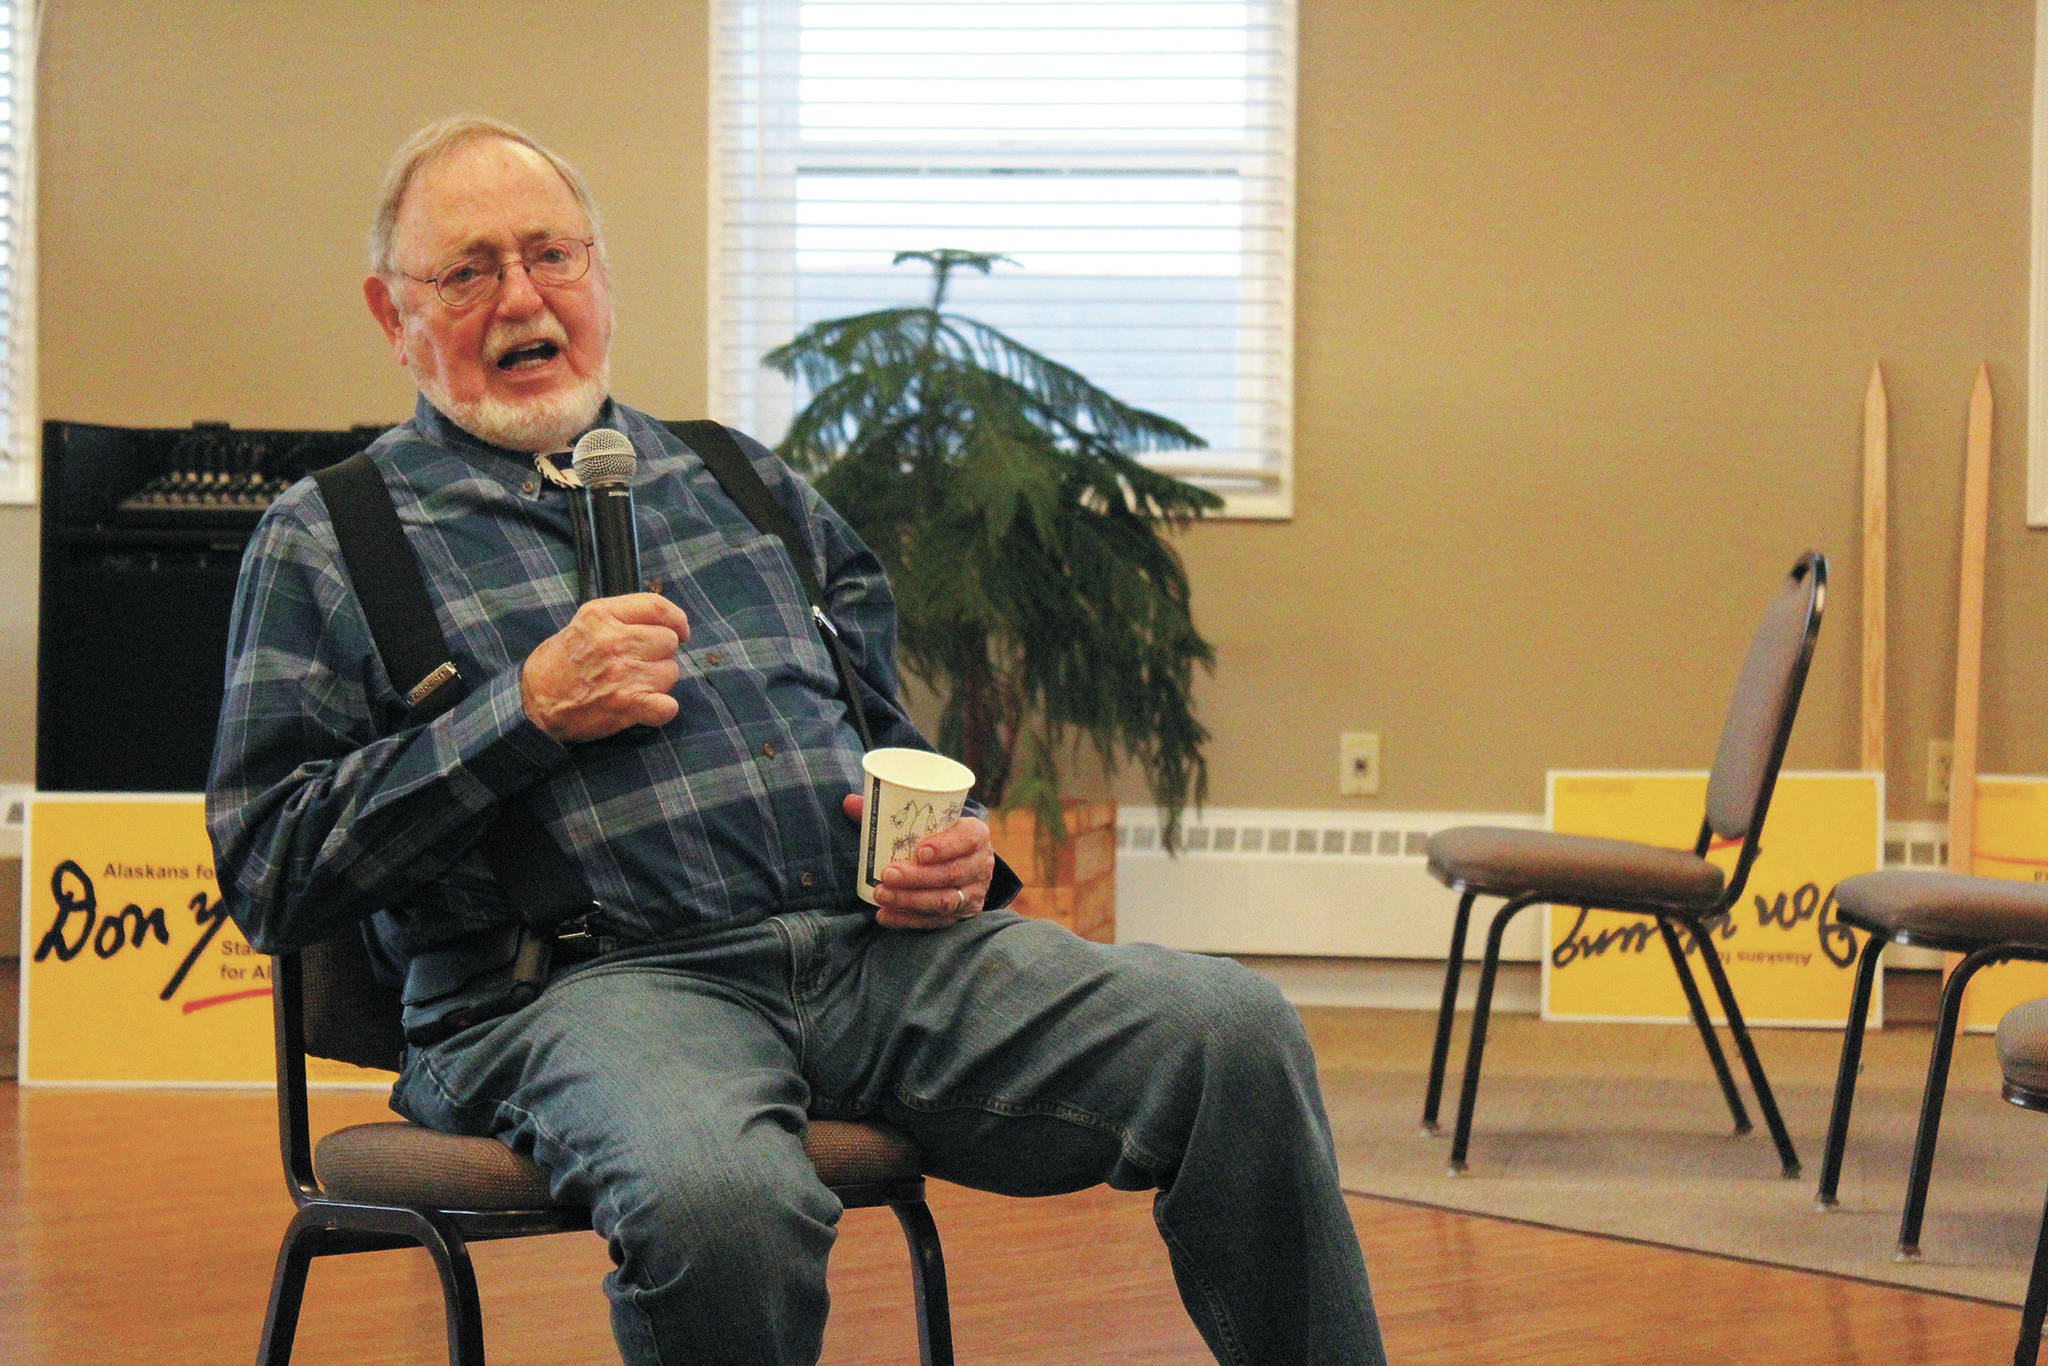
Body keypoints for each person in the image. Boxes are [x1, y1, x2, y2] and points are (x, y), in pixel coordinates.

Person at [206, 113, 1387, 1366]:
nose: (521, 296)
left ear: (599, 279)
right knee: (721, 1202)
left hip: (873, 962)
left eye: (552, 255)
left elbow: (888, 743)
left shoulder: (745, 482)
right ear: (393, 318)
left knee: (1231, 1029)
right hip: (581, 994)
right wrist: (525, 713)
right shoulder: (332, 537)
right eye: (468, 271)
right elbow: (272, 871)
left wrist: (956, 860)